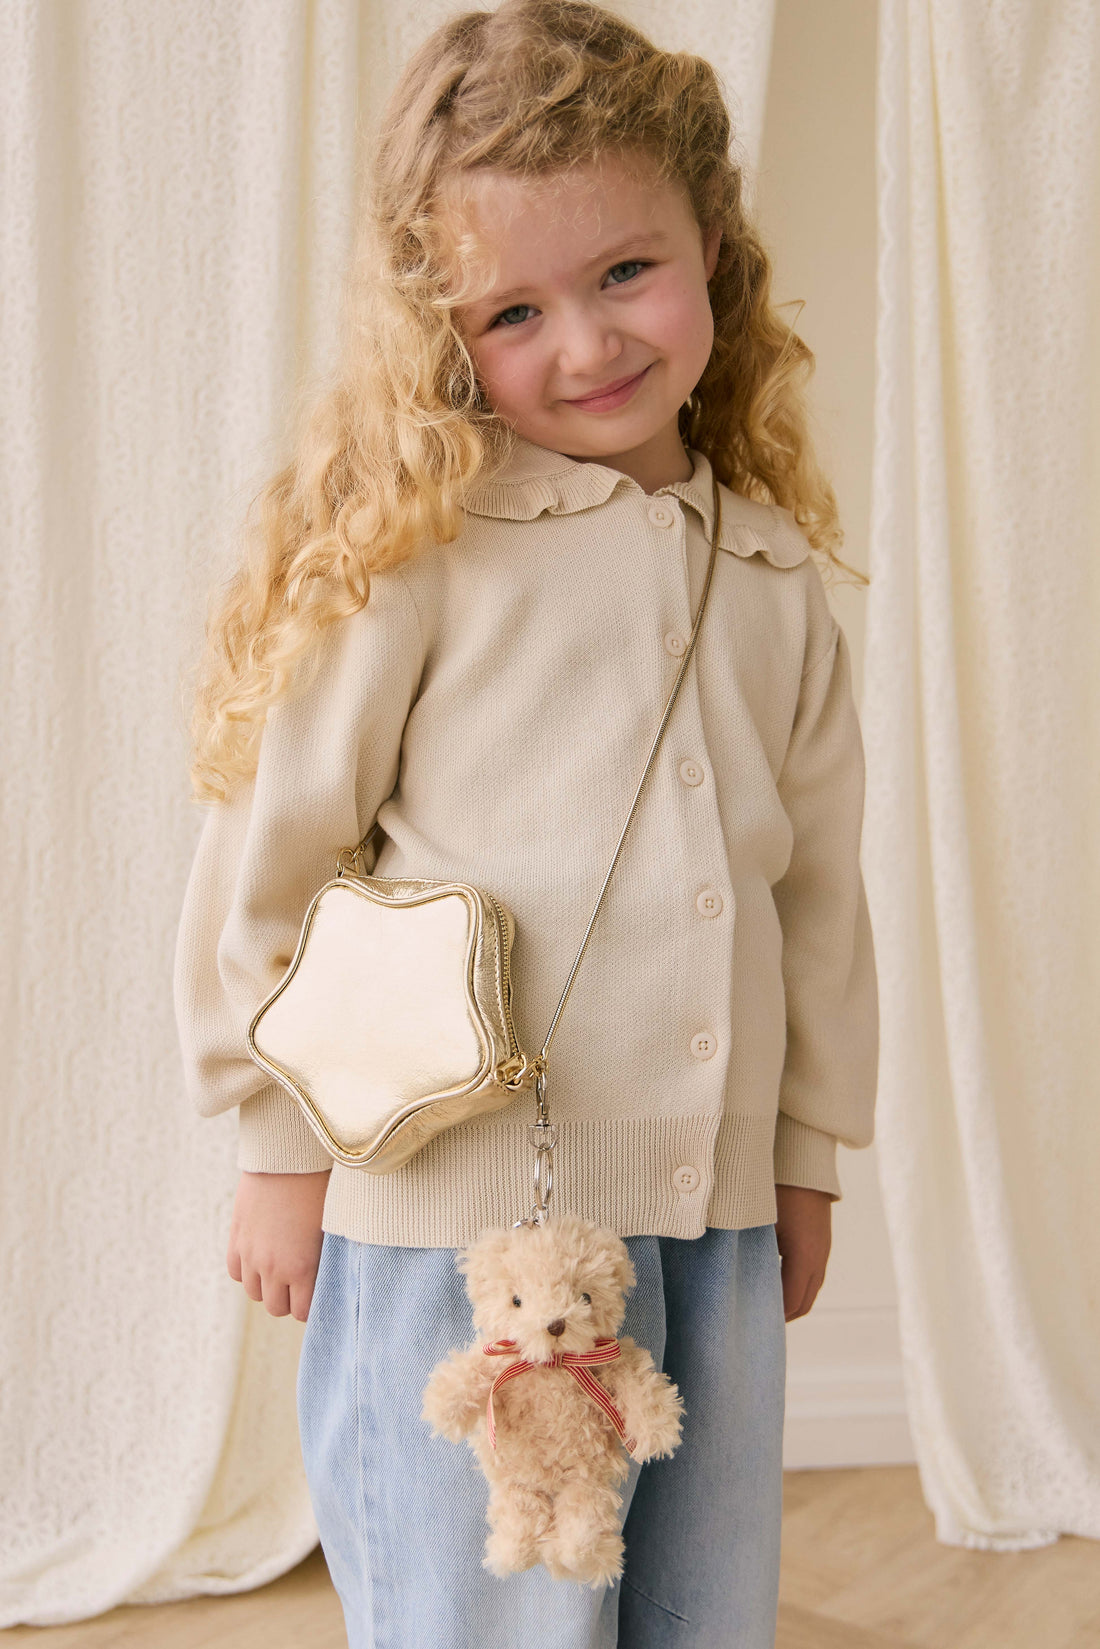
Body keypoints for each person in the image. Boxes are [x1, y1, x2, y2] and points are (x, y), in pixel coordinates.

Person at [172, 2, 878, 1644]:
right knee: (479, 1613)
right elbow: (277, 856)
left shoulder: (772, 578)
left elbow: (818, 904)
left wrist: (802, 1155)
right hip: (461, 1221)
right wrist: (275, 1144)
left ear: (713, 249)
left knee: (699, 1605)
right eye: (514, 310)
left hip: (703, 1216)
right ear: (443, 331)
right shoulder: (419, 552)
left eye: (626, 271)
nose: (587, 343)